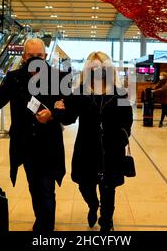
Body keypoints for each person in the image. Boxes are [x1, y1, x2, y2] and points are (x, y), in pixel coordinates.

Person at [0, 38, 67, 232]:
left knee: (46, 189)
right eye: (31, 56)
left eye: (39, 56)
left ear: (45, 56)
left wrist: (54, 113)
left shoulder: (59, 78)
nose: (35, 59)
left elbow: (70, 109)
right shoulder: (15, 78)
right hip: (26, 143)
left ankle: (45, 229)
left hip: (49, 145)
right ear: (24, 56)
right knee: (34, 187)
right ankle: (41, 220)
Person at [54, 51, 133, 232]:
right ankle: (93, 205)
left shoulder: (119, 94)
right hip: (86, 147)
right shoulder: (79, 93)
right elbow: (69, 118)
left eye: (102, 66)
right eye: (94, 66)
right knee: (85, 186)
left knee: (108, 188)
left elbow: (126, 118)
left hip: (111, 148)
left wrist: (123, 134)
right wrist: (59, 110)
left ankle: (106, 222)